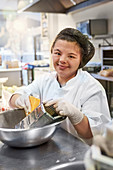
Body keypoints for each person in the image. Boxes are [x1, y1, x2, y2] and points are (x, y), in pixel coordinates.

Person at [9, 28, 111, 144]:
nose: (62, 60)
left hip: (81, 153)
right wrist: (20, 100)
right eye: (58, 53)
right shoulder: (46, 80)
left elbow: (92, 133)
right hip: (50, 145)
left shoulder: (92, 88)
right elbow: (13, 100)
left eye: (71, 56)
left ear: (81, 60)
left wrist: (75, 115)